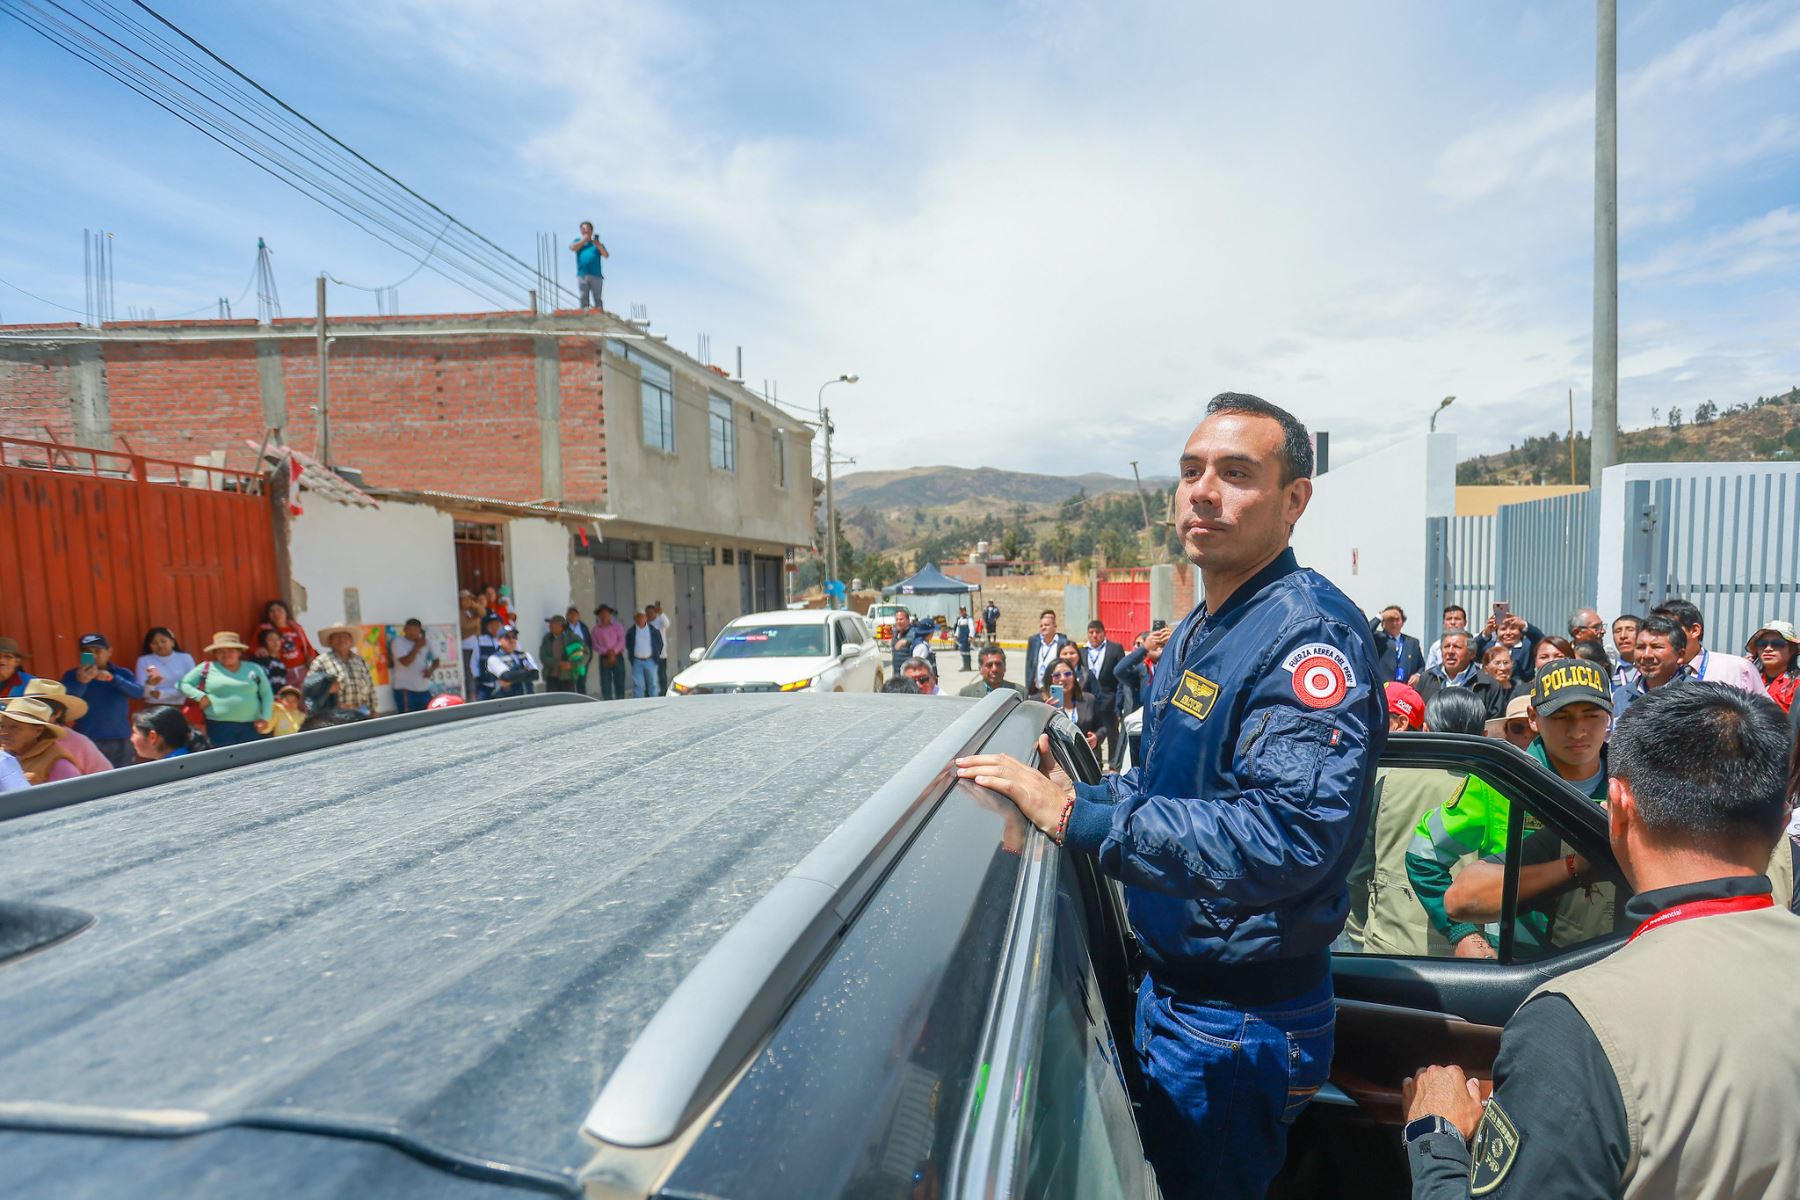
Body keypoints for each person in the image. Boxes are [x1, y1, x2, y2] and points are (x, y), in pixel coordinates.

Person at [955, 392, 1384, 1197]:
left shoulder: (1306, 636)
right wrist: (1083, 789)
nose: (1203, 491)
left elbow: (1287, 834)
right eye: (1190, 471)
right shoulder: (1199, 627)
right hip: (1176, 998)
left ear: (1294, 500)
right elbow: (1171, 789)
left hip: (1237, 1023)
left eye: (1235, 473)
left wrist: (1079, 817)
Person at [1404, 683, 1800, 1200]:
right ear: (1781, 817)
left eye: (1591, 715)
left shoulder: (1576, 1023)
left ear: (1618, 806)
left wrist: (1434, 1138)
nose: (1577, 730)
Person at [1439, 659, 1618, 958]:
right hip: (1520, 958)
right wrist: (1462, 933)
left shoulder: (1632, 785)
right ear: (1534, 717)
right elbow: (1425, 857)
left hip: (1611, 956)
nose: (1578, 731)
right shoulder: (1502, 781)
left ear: (1610, 715)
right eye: (1561, 717)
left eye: (1592, 715)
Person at [1650, 597, 1768, 697]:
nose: (1660, 637)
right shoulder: (1651, 670)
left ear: (1694, 630)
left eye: (1668, 629)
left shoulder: (1737, 669)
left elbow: (1767, 717)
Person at [62, 633, 142, 768]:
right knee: (93, 783)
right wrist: (81, 682)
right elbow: (66, 704)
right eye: (87, 652)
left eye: (98, 651)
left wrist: (113, 679)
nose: (93, 656)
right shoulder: (72, 675)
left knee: (126, 781)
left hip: (120, 738)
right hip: (88, 739)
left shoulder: (122, 673)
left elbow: (138, 692)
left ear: (109, 651)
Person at [180, 632, 274, 747]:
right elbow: (183, 684)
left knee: (251, 761)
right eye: (220, 651)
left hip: (251, 726)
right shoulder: (207, 667)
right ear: (215, 654)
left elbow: (266, 693)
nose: (225, 654)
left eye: (230, 650)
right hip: (218, 727)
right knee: (223, 761)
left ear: (239, 652)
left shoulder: (254, 668)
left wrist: (265, 718)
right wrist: (200, 696)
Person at [21, 680, 113, 775]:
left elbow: (106, 776)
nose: (34, 714)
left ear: (58, 713)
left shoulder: (78, 742)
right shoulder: (15, 738)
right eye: (30, 708)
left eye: (41, 709)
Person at [1610, 614, 1690, 719]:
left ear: (1680, 655)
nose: (1647, 655)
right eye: (1641, 647)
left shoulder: (1698, 695)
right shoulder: (1622, 696)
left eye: (1657, 647)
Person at [1418, 628, 1506, 718]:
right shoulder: (1427, 679)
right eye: (1446, 646)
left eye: (1457, 647)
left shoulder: (1487, 685)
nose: (1450, 651)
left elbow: (1494, 724)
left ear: (1472, 653)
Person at [0, 696, 81, 784]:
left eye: (15, 727)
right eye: (2, 726)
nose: (4, 733)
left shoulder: (58, 763)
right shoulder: (3, 754)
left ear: (38, 731)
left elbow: (74, 794)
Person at [308, 626, 376, 720]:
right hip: (334, 716)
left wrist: (374, 711)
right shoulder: (321, 662)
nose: (341, 639)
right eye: (336, 636)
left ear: (351, 640)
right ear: (330, 641)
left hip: (362, 712)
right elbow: (310, 688)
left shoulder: (360, 661)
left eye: (345, 636)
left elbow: (371, 688)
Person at [1082, 620, 1126, 763]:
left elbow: (1122, 678)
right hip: (1088, 702)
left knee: (1112, 733)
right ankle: (1095, 763)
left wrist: (1120, 703)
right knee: (1092, 733)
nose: (1094, 636)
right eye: (1091, 632)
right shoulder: (1081, 652)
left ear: (1103, 633)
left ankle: (1114, 763)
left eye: (1097, 632)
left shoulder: (1115, 649)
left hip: (1109, 701)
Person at [253, 600, 316, 691]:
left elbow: (308, 647)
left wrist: (310, 658)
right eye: (272, 611)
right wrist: (258, 650)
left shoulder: (296, 628)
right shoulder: (263, 630)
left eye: (279, 610)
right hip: (283, 673)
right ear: (268, 615)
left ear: (286, 612)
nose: (276, 613)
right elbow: (252, 647)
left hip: (302, 670)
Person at [1042, 660, 1102, 748]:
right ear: (1049, 678)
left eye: (1067, 674)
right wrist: (1046, 713)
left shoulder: (1089, 699)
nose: (1062, 678)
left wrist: (1096, 738)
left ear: (1074, 676)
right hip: (1055, 759)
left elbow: (1102, 727)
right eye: (1057, 675)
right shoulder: (1039, 702)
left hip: (1085, 757)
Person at [1475, 611, 1547, 686]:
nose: (1508, 633)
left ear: (1520, 632)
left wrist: (1524, 624)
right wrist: (1485, 634)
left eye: (1513, 628)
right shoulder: (1488, 647)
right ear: (1496, 632)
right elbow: (1470, 651)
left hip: (1522, 691)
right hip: (1492, 691)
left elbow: (1541, 640)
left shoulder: (1528, 646)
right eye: (1503, 629)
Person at [135, 626, 194, 711]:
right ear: (149, 646)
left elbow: (192, 686)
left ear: (172, 642)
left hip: (182, 707)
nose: (159, 645)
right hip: (153, 708)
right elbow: (142, 692)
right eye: (154, 643)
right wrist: (150, 685)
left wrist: (163, 694)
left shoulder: (185, 658)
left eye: (163, 641)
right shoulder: (144, 661)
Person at [1745, 620, 1798, 713]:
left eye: (1778, 644)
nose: (1768, 649)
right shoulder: (1747, 679)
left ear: (1793, 650)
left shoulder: (1797, 683)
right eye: (1762, 644)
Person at [388, 618, 438, 713]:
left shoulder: (426, 642)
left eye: (415, 630)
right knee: (408, 720)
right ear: (404, 630)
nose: (412, 633)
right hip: (405, 689)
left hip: (423, 688)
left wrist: (430, 670)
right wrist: (416, 647)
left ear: (420, 631)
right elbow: (405, 662)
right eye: (409, 630)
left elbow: (436, 660)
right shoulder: (398, 642)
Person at [1370, 605, 1426, 684]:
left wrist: (1418, 675)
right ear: (1383, 623)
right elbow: (1363, 632)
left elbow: (1421, 667)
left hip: (1405, 689)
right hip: (1384, 689)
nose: (1394, 623)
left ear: (1402, 622)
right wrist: (1380, 616)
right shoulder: (1376, 638)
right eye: (1390, 619)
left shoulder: (1412, 642)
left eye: (1397, 619)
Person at [486, 625, 541, 698]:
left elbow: (535, 675)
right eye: (507, 637)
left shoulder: (525, 655)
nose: (512, 640)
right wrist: (526, 673)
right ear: (499, 641)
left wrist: (512, 679)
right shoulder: (494, 658)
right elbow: (507, 676)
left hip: (529, 698)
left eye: (514, 637)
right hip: (507, 702)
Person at [1022, 609, 1067, 692]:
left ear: (1054, 626)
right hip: (1037, 689)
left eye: (1046, 625)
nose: (1043, 627)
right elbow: (1029, 665)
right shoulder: (1034, 641)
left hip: (1055, 689)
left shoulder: (1063, 642)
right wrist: (1028, 687)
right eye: (1041, 626)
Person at [958, 644, 1025, 698]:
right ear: (980, 669)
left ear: (1005, 667)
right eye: (989, 665)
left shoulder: (1020, 692)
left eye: (998, 664)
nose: (994, 669)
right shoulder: (967, 694)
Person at [570, 220, 609, 310]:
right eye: (583, 229)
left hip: (596, 275)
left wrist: (598, 245)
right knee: (583, 297)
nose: (585, 231)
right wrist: (584, 240)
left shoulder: (597, 244)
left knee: (597, 299)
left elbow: (606, 255)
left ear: (591, 231)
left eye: (587, 229)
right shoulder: (578, 242)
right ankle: (584, 316)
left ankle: (599, 315)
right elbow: (573, 247)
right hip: (582, 274)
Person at [1421, 604, 1469, 677]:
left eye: (1457, 619)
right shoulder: (1436, 646)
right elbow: (1430, 671)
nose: (1452, 622)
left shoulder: (1472, 642)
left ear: (1465, 622)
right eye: (1449, 619)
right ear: (1444, 623)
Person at [592, 606, 628, 701]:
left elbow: (622, 640)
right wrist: (606, 652)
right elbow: (595, 644)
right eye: (601, 614)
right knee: (605, 681)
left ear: (610, 615)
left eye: (606, 614)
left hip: (617, 656)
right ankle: (607, 703)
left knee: (619, 680)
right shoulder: (596, 629)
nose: (604, 616)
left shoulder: (617, 626)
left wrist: (614, 651)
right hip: (604, 657)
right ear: (599, 616)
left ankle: (621, 701)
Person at [539, 614, 581, 694]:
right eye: (550, 623)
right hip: (551, 677)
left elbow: (584, 653)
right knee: (552, 702)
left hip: (568, 677)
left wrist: (571, 664)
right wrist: (558, 663)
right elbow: (543, 657)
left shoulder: (572, 637)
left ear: (561, 626)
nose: (550, 626)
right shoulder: (547, 638)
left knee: (568, 702)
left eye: (552, 623)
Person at [626, 611, 662, 698]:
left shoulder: (653, 630)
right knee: (638, 685)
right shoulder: (631, 631)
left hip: (651, 661)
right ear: (634, 619)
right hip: (637, 661)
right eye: (637, 617)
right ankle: (640, 705)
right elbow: (628, 645)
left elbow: (660, 643)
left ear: (646, 618)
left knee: (653, 684)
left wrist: (656, 655)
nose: (640, 619)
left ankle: (654, 704)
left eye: (642, 617)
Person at [1481, 643, 1529, 707]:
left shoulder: (1522, 689)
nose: (1503, 668)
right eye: (1497, 663)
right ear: (1486, 668)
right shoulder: (1482, 691)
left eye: (1506, 662)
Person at [888, 607, 934, 675]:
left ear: (908, 620)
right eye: (897, 619)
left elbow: (913, 637)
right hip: (897, 673)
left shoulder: (912, 631)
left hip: (908, 674)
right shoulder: (895, 633)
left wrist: (905, 641)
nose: (898, 621)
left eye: (901, 619)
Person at [471, 614, 505, 701]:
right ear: (487, 626)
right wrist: (478, 677)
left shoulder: (506, 641)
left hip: (503, 686)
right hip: (485, 685)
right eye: (492, 625)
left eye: (498, 625)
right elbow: (473, 663)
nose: (495, 627)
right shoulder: (479, 641)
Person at [459, 589, 486, 697]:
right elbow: (464, 625)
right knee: (469, 669)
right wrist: (477, 621)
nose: (467, 602)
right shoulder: (460, 612)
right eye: (464, 600)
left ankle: (477, 689)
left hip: (475, 642)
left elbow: (483, 612)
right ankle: (471, 694)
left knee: (476, 667)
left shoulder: (471, 610)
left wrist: (474, 605)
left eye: (469, 599)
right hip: (466, 644)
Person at [564, 606, 594, 692]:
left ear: (578, 616)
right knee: (570, 683)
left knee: (582, 681)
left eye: (575, 614)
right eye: (570, 614)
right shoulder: (564, 627)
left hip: (582, 658)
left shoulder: (583, 627)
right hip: (569, 659)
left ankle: (582, 702)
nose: (573, 616)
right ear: (567, 616)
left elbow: (589, 642)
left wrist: (589, 657)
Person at [1609, 613, 1641, 686]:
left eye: (1630, 630)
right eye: (1617, 631)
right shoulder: (1608, 671)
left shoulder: (1653, 669)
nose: (1623, 636)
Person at [648, 602, 672, 691]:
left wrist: (661, 613)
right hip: (648, 655)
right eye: (648, 613)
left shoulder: (660, 620)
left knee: (662, 675)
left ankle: (663, 692)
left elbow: (667, 624)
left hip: (661, 654)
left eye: (652, 612)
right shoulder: (644, 623)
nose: (650, 614)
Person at [952, 607, 976, 672]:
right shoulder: (960, 620)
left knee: (966, 651)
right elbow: (958, 629)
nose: (962, 612)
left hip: (966, 637)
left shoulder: (969, 619)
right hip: (961, 638)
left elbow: (972, 628)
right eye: (961, 611)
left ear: (965, 611)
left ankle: (968, 666)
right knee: (962, 651)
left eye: (963, 611)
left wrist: (971, 636)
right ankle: (965, 665)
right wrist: (956, 636)